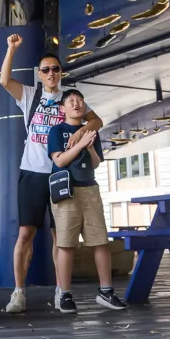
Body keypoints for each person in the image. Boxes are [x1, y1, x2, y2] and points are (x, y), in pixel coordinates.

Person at [0, 34, 104, 314]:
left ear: (61, 72)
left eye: (55, 69)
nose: (51, 73)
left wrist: (81, 131)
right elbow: (4, 81)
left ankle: (61, 291)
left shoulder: (70, 99)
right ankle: (18, 292)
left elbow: (97, 120)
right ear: (39, 75)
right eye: (45, 69)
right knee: (25, 234)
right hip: (32, 172)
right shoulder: (31, 96)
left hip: (61, 174)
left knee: (62, 237)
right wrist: (11, 50)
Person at [47, 89, 127, 314]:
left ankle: (106, 291)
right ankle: (64, 294)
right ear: (62, 109)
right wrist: (80, 145)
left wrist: (90, 147)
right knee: (66, 244)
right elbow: (60, 161)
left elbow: (95, 163)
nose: (76, 104)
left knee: (100, 241)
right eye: (71, 101)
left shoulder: (92, 131)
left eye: (80, 100)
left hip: (90, 189)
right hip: (65, 192)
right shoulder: (57, 130)